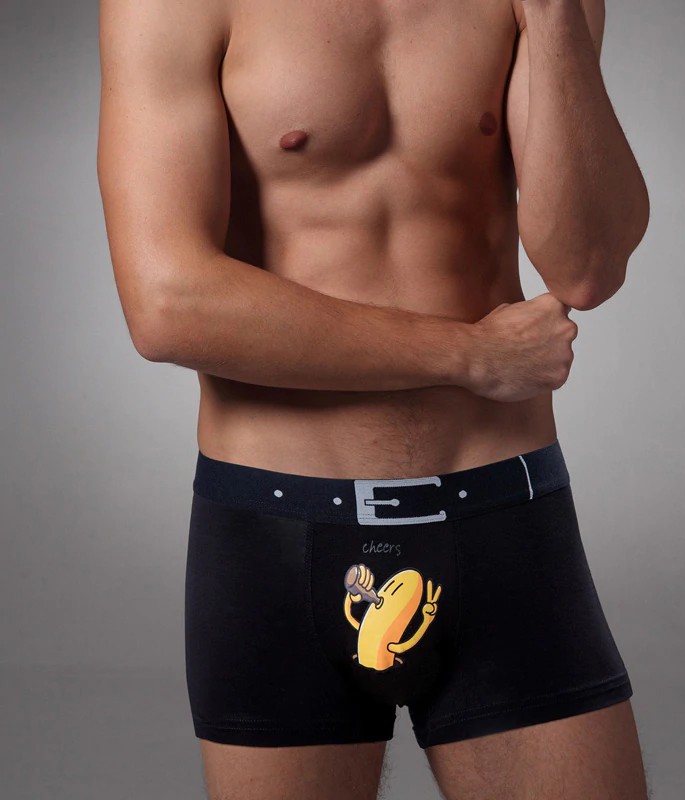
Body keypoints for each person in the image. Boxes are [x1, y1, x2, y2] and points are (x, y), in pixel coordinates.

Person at [97, 0, 650, 796]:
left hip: (503, 518)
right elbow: (169, 304)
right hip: (278, 531)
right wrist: (469, 355)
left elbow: (588, 267)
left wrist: (556, 17)